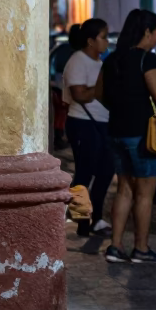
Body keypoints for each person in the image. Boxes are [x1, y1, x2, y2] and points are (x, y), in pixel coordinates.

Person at [96, 9, 156, 263]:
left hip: (116, 130)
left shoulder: (112, 60)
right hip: (143, 136)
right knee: (144, 194)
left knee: (124, 190)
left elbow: (99, 93)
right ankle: (141, 248)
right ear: (147, 32)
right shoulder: (147, 60)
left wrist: (119, 107)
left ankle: (115, 246)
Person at [63, 18, 114, 238]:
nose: (107, 41)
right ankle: (82, 222)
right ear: (91, 41)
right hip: (83, 122)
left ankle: (96, 218)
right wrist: (102, 87)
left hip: (103, 123)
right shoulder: (78, 61)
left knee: (105, 172)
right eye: (103, 37)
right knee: (84, 173)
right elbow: (79, 95)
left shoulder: (100, 63)